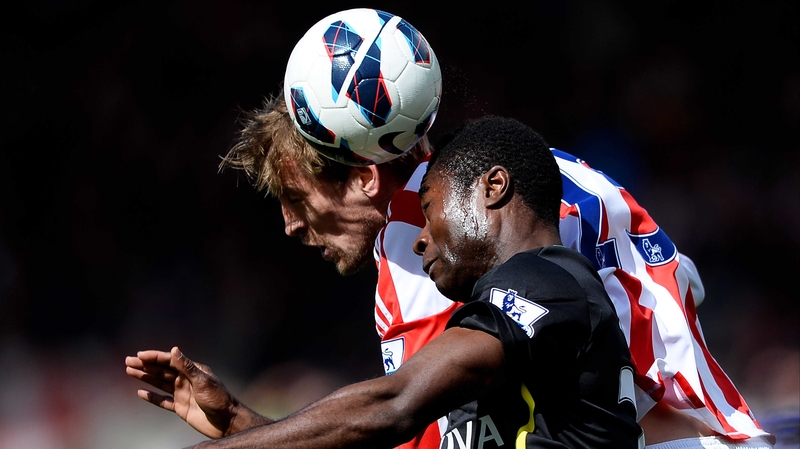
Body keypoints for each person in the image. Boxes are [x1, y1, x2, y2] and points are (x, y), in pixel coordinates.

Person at [126, 97, 774, 448]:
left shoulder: (550, 284)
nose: (422, 233)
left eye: (429, 211)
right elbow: (400, 428)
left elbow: (393, 408)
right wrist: (242, 420)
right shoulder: (488, 308)